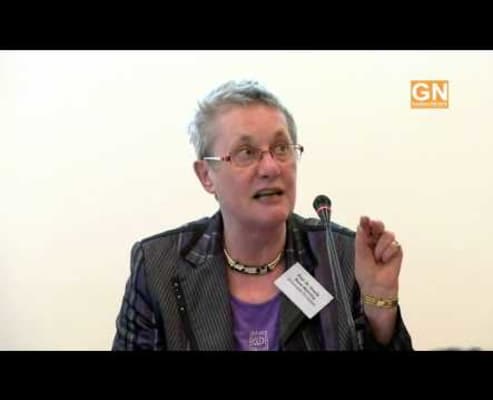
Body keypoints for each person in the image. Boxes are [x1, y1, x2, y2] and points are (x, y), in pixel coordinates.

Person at [112, 80, 413, 351]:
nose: (271, 167)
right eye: (246, 152)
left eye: (281, 148)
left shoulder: (342, 257)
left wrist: (380, 307)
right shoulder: (160, 267)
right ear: (206, 175)